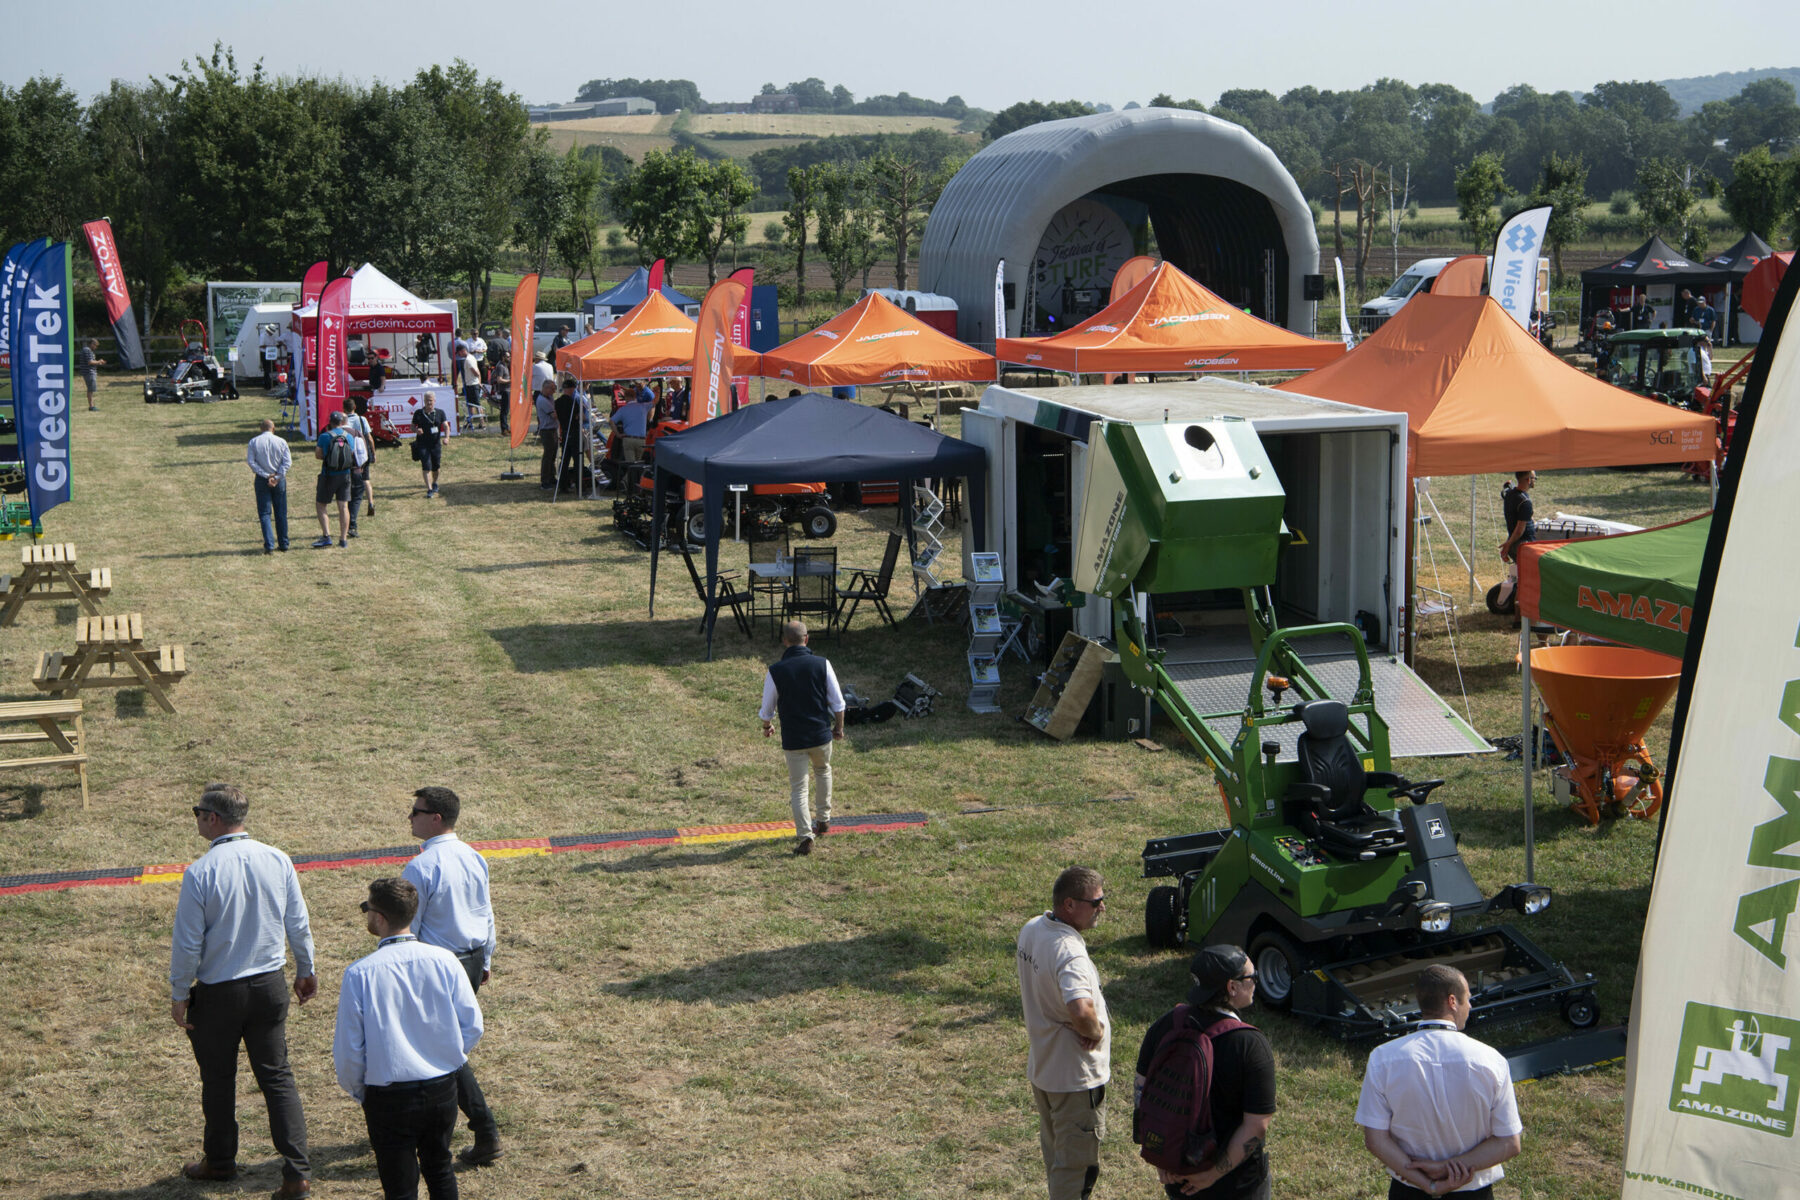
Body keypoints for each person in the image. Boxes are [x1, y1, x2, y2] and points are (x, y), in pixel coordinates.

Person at [170, 784, 316, 1198]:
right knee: (277, 1077)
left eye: (197, 812)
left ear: (213, 818)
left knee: (218, 1080)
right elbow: (298, 922)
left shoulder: (201, 872)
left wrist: (180, 992)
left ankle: (219, 1161)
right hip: (270, 986)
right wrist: (306, 969)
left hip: (219, 994)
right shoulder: (277, 858)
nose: (196, 818)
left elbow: (187, 943)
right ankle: (297, 1173)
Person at [334, 877, 483, 1200]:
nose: (367, 915)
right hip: (442, 1087)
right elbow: (471, 1025)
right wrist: (446, 1059)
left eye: (367, 909)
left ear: (380, 917)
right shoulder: (445, 961)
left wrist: (361, 1092)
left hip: (388, 1095)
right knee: (440, 1169)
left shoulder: (361, 974)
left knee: (399, 1185)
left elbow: (349, 1050)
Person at [1356, 965, 1522, 1199]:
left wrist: (1426, 1183)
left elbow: (1376, 1139)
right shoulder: (1491, 1060)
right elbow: (1509, 1143)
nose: (1470, 1006)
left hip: (1408, 1189)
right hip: (1472, 1189)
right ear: (1452, 1001)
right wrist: (1451, 1167)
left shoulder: (1383, 1058)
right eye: (1468, 999)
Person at [402, 787, 504, 1167]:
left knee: (445, 1050)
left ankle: (484, 1129)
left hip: (440, 965)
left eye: (416, 811)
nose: (410, 817)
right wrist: (487, 958)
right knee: (445, 1045)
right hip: (473, 960)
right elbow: (485, 911)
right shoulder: (473, 856)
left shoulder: (421, 867)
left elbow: (408, 927)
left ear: (436, 818)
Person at [1133, 945, 1275, 1199]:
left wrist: (1161, 1157)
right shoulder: (1250, 1044)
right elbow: (1257, 1125)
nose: (1256, 982)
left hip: (1178, 1174)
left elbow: (1144, 1094)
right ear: (1232, 987)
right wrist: (1213, 1175)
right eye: (1251, 977)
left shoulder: (1166, 1024)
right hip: (1236, 1185)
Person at [1017, 866, 1112, 1200]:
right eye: (1096, 901)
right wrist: (1095, 1031)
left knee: (1058, 1159)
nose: (1103, 907)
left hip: (1045, 1070)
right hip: (1075, 1079)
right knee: (1075, 1171)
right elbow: (1080, 1009)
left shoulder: (1032, 929)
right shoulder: (1069, 953)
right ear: (1069, 905)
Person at [758, 620, 846, 855]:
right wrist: (839, 728)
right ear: (807, 639)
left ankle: (806, 835)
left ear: (785, 641)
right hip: (820, 734)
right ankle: (824, 819)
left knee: (799, 788)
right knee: (823, 771)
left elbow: (767, 709)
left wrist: (767, 726)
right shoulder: (822, 664)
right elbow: (838, 702)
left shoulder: (775, 670)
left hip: (794, 738)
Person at [247, 418, 293, 554]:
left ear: (261, 429)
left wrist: (266, 475)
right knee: (281, 512)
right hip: (279, 480)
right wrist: (277, 476)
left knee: (265, 513)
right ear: (273, 428)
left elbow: (251, 462)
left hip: (262, 480)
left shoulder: (254, 442)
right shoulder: (281, 442)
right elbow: (287, 462)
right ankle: (284, 543)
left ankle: (269, 545)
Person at [313, 410, 354, 549]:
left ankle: (326, 536)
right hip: (346, 474)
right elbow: (351, 454)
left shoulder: (325, 436)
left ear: (330, 422)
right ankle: (343, 539)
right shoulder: (349, 436)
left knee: (321, 504)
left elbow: (318, 455)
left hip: (329, 474)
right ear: (342, 422)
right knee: (343, 506)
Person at [343, 401, 375, 538]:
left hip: (347, 458)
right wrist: (373, 452)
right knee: (366, 480)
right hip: (362, 455)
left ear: (344, 408)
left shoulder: (342, 422)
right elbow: (369, 436)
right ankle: (371, 502)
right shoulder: (362, 419)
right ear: (355, 407)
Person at [414, 392, 448, 497]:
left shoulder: (440, 413)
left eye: (431, 400)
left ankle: (434, 483)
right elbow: (412, 426)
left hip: (435, 444)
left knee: (436, 467)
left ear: (434, 401)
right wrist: (416, 430)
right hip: (422, 444)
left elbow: (446, 426)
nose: (429, 402)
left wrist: (447, 437)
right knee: (426, 466)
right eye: (427, 400)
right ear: (424, 401)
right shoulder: (418, 413)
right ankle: (429, 489)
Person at [535, 377, 561, 489]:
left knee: (553, 455)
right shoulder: (542, 400)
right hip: (547, 431)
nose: (554, 392)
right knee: (548, 456)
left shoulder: (549, 397)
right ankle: (545, 481)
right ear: (546, 388)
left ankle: (551, 478)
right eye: (552, 389)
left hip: (552, 430)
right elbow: (554, 415)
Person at [78, 337, 103, 411]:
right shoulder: (87, 350)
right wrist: (99, 361)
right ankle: (91, 406)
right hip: (89, 373)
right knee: (90, 389)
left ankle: (91, 406)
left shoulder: (88, 351)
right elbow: (90, 362)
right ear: (92, 344)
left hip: (89, 372)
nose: (96, 347)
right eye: (95, 345)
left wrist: (98, 362)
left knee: (91, 389)